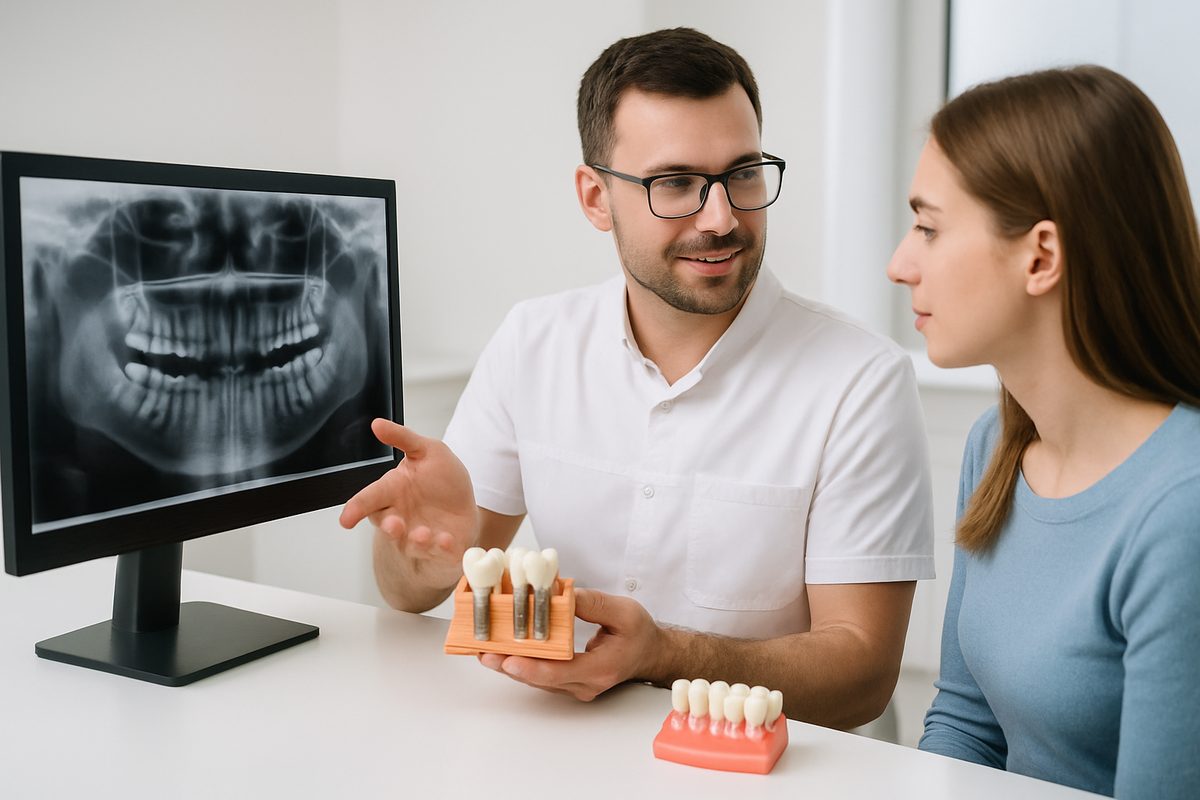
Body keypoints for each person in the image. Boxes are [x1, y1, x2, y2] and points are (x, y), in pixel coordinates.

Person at [341, 27, 934, 729]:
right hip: (568, 749)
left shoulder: (860, 381)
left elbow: (862, 674)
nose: (721, 218)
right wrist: (423, 557)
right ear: (595, 198)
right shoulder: (534, 342)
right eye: (675, 184)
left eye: (742, 173)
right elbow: (405, 594)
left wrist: (663, 655)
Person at [888, 65, 1200, 797]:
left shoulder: (1180, 512)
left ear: (1042, 256)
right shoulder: (991, 452)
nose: (900, 264)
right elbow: (966, 722)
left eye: (929, 228)